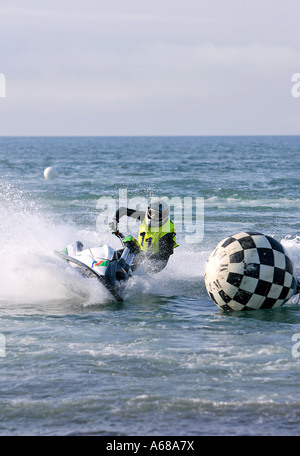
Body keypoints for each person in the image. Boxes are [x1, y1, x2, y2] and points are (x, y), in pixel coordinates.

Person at [108, 200, 178, 273]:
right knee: (117, 253)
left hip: (156, 263)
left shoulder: (168, 231)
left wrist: (143, 259)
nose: (153, 216)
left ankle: (123, 276)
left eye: (157, 215)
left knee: (132, 267)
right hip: (141, 254)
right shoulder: (143, 216)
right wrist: (115, 221)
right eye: (152, 213)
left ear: (164, 216)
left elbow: (163, 256)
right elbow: (123, 210)